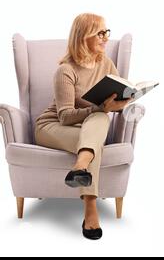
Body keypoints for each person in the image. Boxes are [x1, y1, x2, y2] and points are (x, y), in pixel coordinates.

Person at [35, 13, 131, 240]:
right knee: (96, 129)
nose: (106, 38)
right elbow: (66, 116)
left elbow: (112, 103)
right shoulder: (65, 70)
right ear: (83, 37)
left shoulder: (106, 64)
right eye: (100, 33)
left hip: (87, 127)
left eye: (107, 32)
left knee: (100, 121)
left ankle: (80, 166)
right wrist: (101, 109)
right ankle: (90, 210)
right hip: (52, 127)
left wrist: (122, 102)